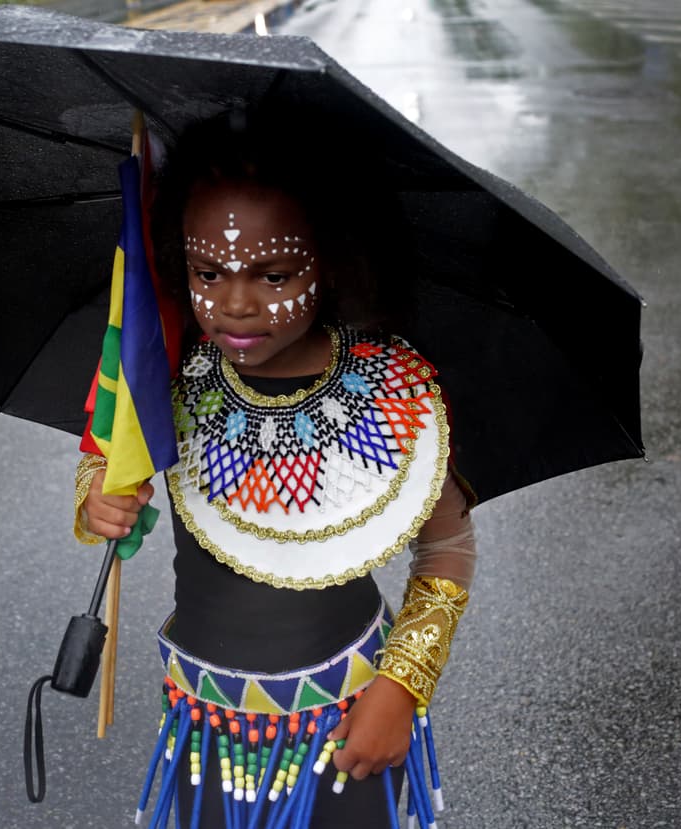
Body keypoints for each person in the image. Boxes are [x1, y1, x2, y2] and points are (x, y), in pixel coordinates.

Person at [73, 110, 478, 828]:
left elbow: (445, 547)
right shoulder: (169, 373)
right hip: (203, 720)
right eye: (207, 270)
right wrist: (96, 501)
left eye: (273, 273)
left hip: (348, 721)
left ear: (331, 258)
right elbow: (110, 466)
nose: (234, 301)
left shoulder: (393, 387)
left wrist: (402, 684)